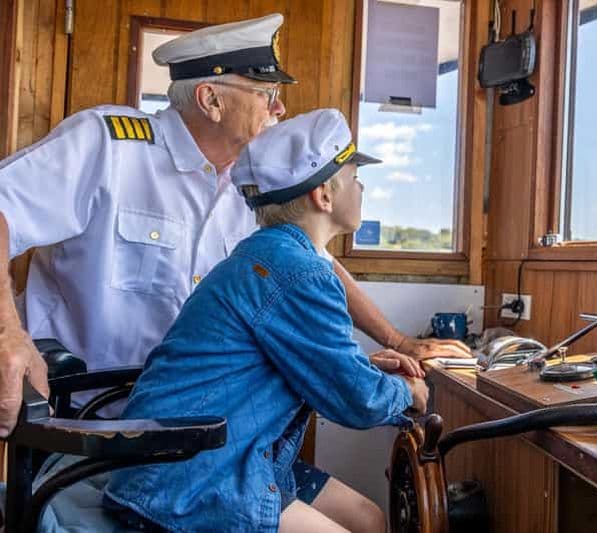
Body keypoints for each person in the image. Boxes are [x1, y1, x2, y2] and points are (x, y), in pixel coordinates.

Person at [0, 12, 469, 530]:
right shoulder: (108, 146)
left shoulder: (255, 194)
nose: (280, 107)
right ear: (211, 99)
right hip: (99, 431)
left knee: (368, 518)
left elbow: (318, 267)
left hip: (223, 435)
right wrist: (8, 334)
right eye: (267, 93)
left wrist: (399, 342)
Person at [106, 108, 426, 532]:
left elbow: (306, 365)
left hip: (211, 454)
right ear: (324, 196)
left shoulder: (275, 253)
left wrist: (365, 368)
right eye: (353, 175)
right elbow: (356, 401)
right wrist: (407, 392)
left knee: (369, 519)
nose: (362, 185)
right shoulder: (300, 272)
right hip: (190, 476)